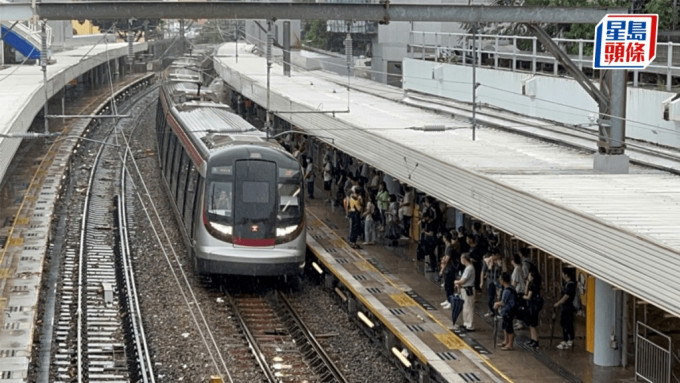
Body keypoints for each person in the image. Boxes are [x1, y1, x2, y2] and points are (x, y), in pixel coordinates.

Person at [554, 267, 577, 349]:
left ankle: (566, 340)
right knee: (568, 323)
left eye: (563, 273)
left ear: (566, 274)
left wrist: (558, 303)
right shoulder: (568, 284)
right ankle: (569, 339)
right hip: (567, 307)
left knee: (565, 323)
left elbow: (566, 296)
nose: (562, 275)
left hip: (567, 307)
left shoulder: (570, 285)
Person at [494, 272, 518, 351]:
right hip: (508, 311)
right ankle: (506, 341)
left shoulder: (507, 291)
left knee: (509, 327)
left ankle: (510, 344)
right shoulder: (511, 288)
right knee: (505, 326)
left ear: (503, 280)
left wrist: (497, 304)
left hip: (508, 311)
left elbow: (503, 302)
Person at [454, 254, 475, 331]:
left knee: (468, 307)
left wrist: (456, 282)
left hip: (468, 289)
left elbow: (463, 280)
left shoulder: (469, 268)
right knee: (465, 307)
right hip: (464, 289)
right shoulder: (468, 268)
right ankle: (466, 323)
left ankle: (470, 325)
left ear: (464, 259)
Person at [439, 232, 460, 309]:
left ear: (445, 238)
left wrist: (442, 270)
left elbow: (446, 260)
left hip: (450, 269)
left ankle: (451, 301)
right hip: (448, 269)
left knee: (449, 285)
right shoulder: (448, 246)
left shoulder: (449, 248)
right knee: (447, 286)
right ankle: (448, 299)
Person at [523, 269, 543, 348]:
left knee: (532, 324)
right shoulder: (537, 285)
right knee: (532, 324)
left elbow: (527, 296)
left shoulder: (532, 286)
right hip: (535, 306)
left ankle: (535, 340)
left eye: (529, 275)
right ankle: (533, 339)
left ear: (532, 277)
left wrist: (524, 297)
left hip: (532, 306)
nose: (528, 277)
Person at [480, 247, 503, 318]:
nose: (498, 256)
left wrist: (501, 265)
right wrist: (481, 282)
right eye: (497, 255)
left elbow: (504, 271)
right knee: (490, 298)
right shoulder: (487, 261)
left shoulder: (501, 261)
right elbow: (483, 272)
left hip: (499, 282)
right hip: (490, 282)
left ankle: (499, 312)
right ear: (493, 255)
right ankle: (492, 311)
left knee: (499, 297)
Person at [510, 253, 527, 329]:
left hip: (518, 290)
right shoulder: (520, 267)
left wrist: (511, 290)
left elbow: (515, 281)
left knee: (519, 306)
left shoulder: (517, 269)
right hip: (521, 290)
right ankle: (519, 322)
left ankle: (520, 323)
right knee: (519, 306)